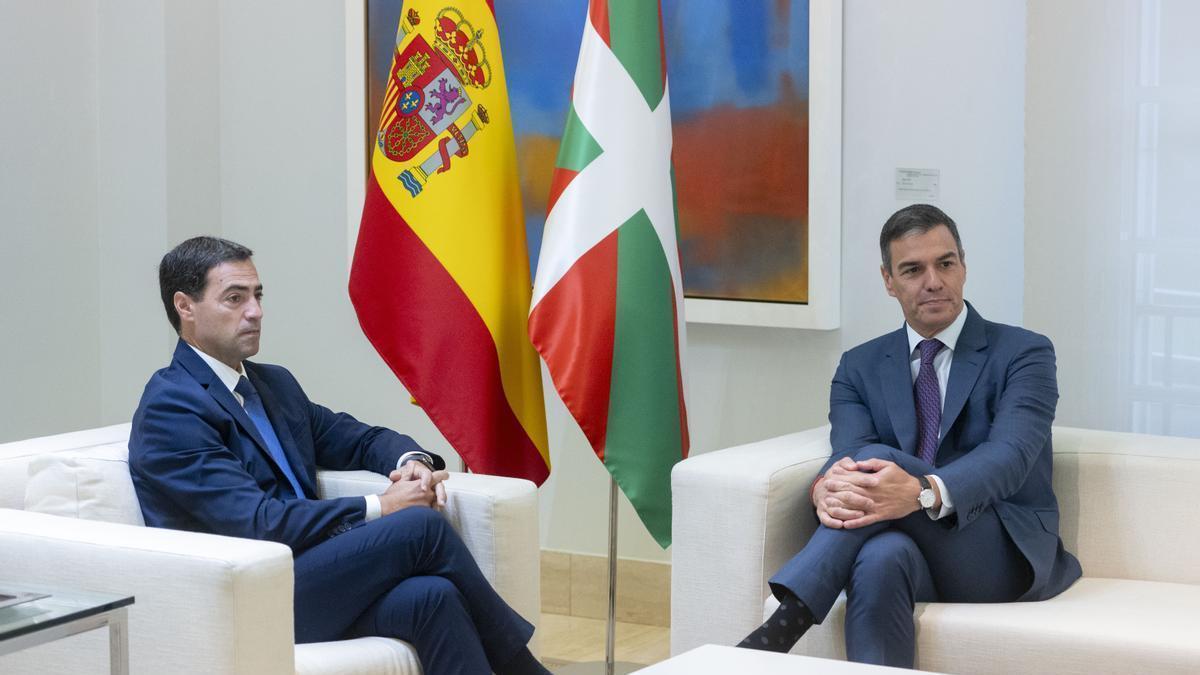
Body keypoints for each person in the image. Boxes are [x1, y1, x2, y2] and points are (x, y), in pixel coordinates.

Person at [129, 236, 549, 675]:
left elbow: (359, 439)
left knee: (432, 597)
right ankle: (527, 670)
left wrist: (413, 463)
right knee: (419, 526)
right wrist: (382, 506)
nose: (255, 312)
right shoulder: (172, 408)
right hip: (245, 594)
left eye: (257, 296)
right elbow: (257, 523)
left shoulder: (273, 385)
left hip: (308, 574)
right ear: (185, 306)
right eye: (234, 298)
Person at [737, 204, 1082, 667]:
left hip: (998, 549)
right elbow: (849, 453)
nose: (934, 281)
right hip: (910, 553)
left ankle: (783, 627)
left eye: (945, 263)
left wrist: (922, 494)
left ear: (963, 265)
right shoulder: (858, 367)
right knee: (880, 556)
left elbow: (1011, 456)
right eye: (913, 269)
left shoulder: (1024, 352)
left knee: (878, 457)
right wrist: (825, 489)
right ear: (888, 280)